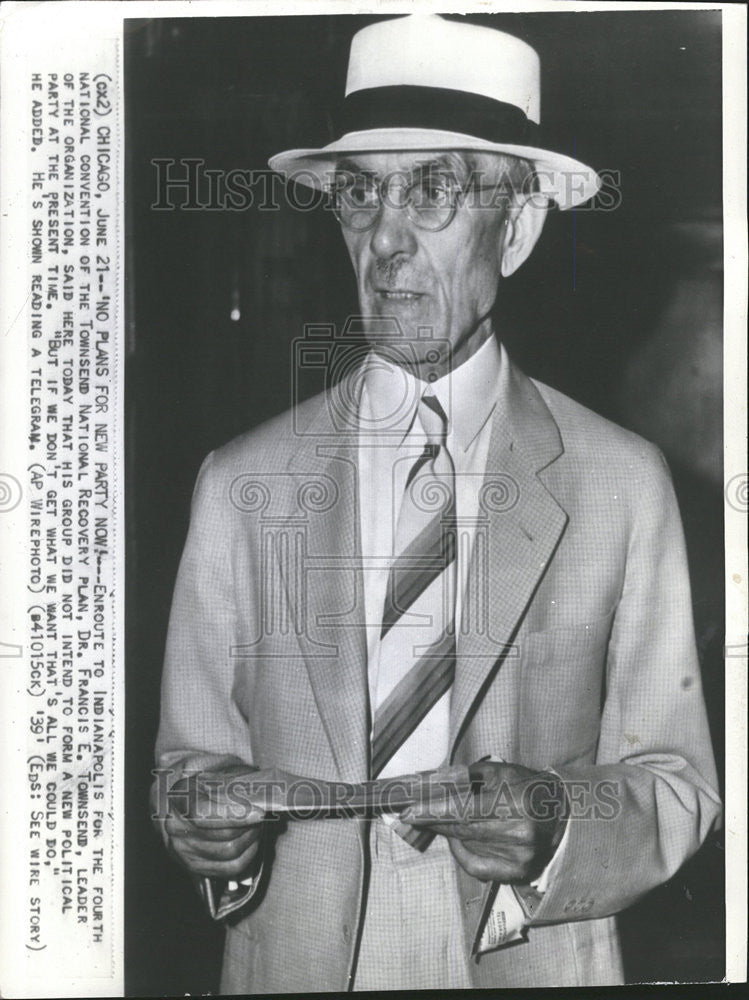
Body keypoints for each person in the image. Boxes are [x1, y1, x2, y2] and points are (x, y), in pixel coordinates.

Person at [153, 14, 720, 992]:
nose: (383, 241)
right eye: (359, 195)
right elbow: (188, 771)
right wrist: (213, 834)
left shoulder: (619, 483)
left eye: (431, 194)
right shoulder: (238, 485)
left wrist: (552, 826)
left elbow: (676, 788)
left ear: (518, 223)